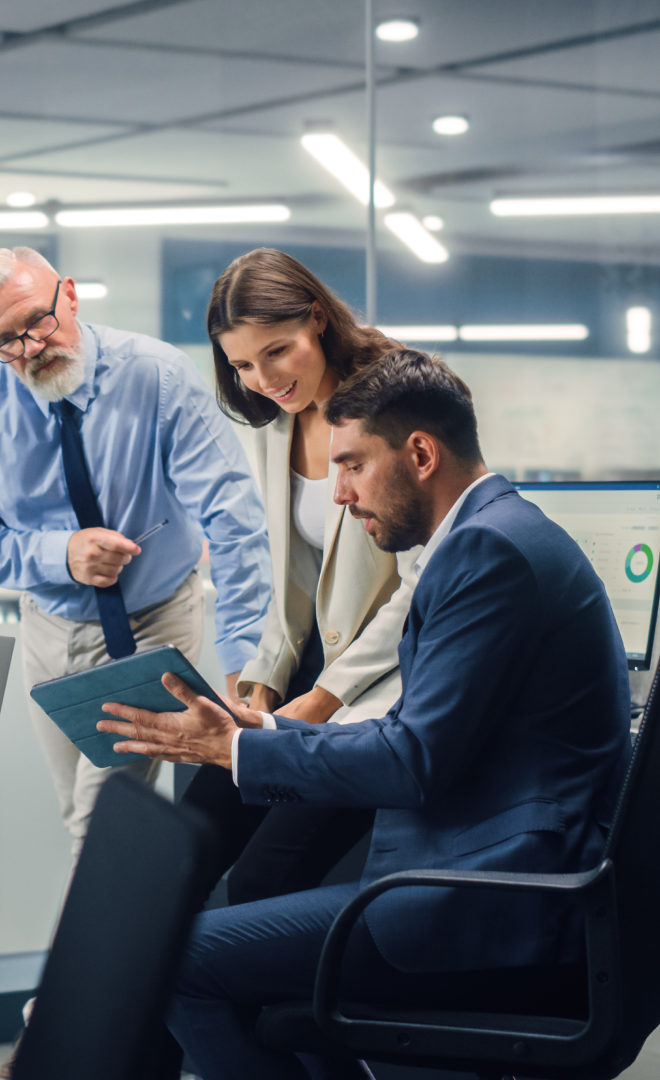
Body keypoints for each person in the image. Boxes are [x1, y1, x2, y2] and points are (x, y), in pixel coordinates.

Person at [97, 350, 631, 1080]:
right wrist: (268, 731)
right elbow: (422, 732)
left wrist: (236, 753)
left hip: (488, 902)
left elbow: (415, 760)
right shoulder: (489, 537)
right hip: (473, 872)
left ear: (419, 453)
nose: (340, 496)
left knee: (174, 959)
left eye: (351, 466)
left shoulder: (487, 555)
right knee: (259, 969)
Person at [0, 246, 271, 852]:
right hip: (47, 630)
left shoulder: (158, 376)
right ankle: (159, 942)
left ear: (69, 294)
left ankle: (94, 949)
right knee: (83, 818)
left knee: (101, 825)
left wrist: (247, 660)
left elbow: (234, 518)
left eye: (38, 321)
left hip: (153, 622)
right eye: (5, 342)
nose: (31, 348)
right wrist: (58, 554)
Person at [182, 248, 416, 908]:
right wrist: (264, 678)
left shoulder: (396, 401)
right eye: (243, 365)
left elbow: (424, 586)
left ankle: (254, 1007)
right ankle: (129, 1010)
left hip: (381, 685)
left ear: (317, 318)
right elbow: (294, 574)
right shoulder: (280, 420)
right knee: (187, 836)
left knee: (264, 878)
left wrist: (324, 698)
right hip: (310, 668)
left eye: (277, 352)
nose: (263, 378)